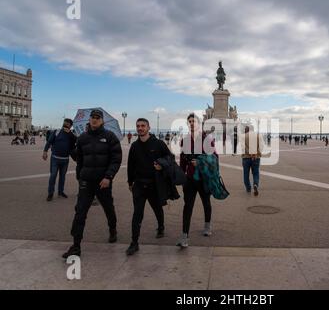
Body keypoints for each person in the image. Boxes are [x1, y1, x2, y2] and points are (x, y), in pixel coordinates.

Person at [62, 109, 122, 259]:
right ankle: (76, 246)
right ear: (89, 120)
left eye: (97, 118)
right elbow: (79, 159)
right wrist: (80, 176)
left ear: (102, 121)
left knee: (108, 208)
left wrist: (108, 177)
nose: (94, 120)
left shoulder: (110, 137)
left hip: (103, 182)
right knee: (80, 212)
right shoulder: (82, 138)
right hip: (86, 182)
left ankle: (112, 229)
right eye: (92, 117)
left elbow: (116, 159)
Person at [126, 118, 173, 256]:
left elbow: (170, 157)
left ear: (148, 127)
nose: (140, 128)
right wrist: (130, 182)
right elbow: (130, 165)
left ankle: (161, 227)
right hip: (139, 185)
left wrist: (162, 165)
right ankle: (134, 243)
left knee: (157, 209)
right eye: (138, 126)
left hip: (154, 184)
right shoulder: (134, 146)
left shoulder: (158, 144)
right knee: (137, 213)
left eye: (143, 126)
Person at [177, 113, 217, 248]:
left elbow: (215, 158)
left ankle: (207, 225)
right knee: (187, 206)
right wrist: (181, 175)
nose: (192, 123)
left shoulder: (207, 139)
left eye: (194, 121)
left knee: (206, 202)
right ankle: (184, 236)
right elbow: (182, 160)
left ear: (199, 124)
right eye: (189, 121)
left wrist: (200, 162)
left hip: (204, 178)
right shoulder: (185, 140)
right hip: (189, 179)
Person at [42, 119, 77, 201]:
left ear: (70, 126)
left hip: (65, 160)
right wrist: (45, 151)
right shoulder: (56, 132)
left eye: (68, 124)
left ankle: (61, 192)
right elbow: (49, 142)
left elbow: (76, 141)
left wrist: (70, 133)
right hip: (55, 158)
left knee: (62, 177)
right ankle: (50, 193)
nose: (65, 125)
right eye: (65, 123)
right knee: (53, 175)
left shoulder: (71, 135)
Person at [240, 125, 264, 196]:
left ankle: (248, 188)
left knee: (246, 174)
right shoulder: (258, 135)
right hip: (256, 158)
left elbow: (242, 147)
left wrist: (250, 154)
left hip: (246, 158)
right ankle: (255, 184)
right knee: (256, 173)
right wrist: (256, 154)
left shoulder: (243, 136)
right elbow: (261, 146)